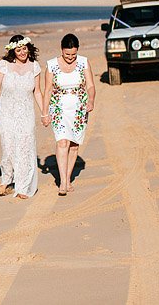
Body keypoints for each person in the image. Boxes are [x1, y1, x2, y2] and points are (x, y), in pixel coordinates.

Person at [0, 35, 44, 199]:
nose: (22, 52)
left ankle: (23, 186)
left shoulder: (35, 67)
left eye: (24, 48)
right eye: (18, 49)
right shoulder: (3, 66)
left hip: (26, 114)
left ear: (28, 48)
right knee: (8, 147)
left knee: (25, 147)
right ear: (13, 51)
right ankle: (6, 180)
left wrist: (44, 112)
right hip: (6, 114)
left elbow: (37, 92)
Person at [41, 33, 95, 196]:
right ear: (61, 50)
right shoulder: (51, 65)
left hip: (79, 109)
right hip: (59, 108)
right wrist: (45, 113)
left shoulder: (84, 62)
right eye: (67, 54)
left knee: (74, 144)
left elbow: (91, 86)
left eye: (73, 54)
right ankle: (63, 181)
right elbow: (48, 90)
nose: (71, 58)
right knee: (62, 142)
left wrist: (91, 100)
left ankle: (69, 177)